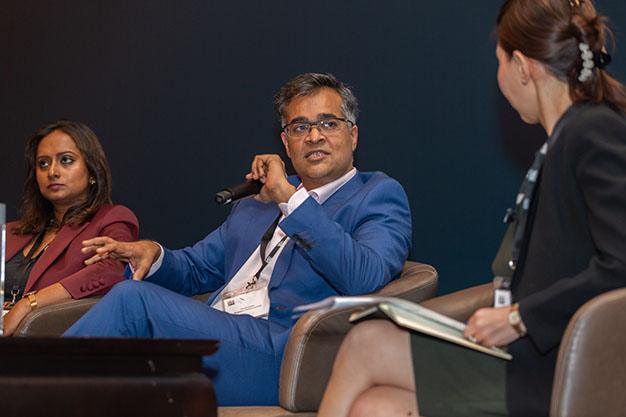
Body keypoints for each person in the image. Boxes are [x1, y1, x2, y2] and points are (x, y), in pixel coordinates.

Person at [316, 1, 626, 417]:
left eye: (499, 61)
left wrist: (519, 318)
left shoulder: (591, 130)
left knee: (364, 344)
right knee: (376, 407)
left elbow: (621, 265)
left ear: (522, 66)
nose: (499, 77)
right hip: (532, 357)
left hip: (556, 370)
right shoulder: (568, 137)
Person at [64, 73, 412, 406]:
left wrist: (292, 200)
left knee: (132, 301)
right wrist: (154, 256)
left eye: (328, 123)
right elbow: (197, 269)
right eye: (300, 127)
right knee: (112, 376)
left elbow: (363, 276)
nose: (314, 136)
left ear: (353, 135)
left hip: (283, 355)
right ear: (286, 143)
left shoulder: (377, 195)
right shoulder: (256, 203)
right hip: (219, 332)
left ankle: (38, 392)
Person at [3, 120, 139, 336]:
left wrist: (28, 304)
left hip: (45, 339)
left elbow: (113, 270)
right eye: (43, 163)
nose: (52, 172)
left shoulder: (110, 219)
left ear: (92, 171)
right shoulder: (11, 231)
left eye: (66, 160)